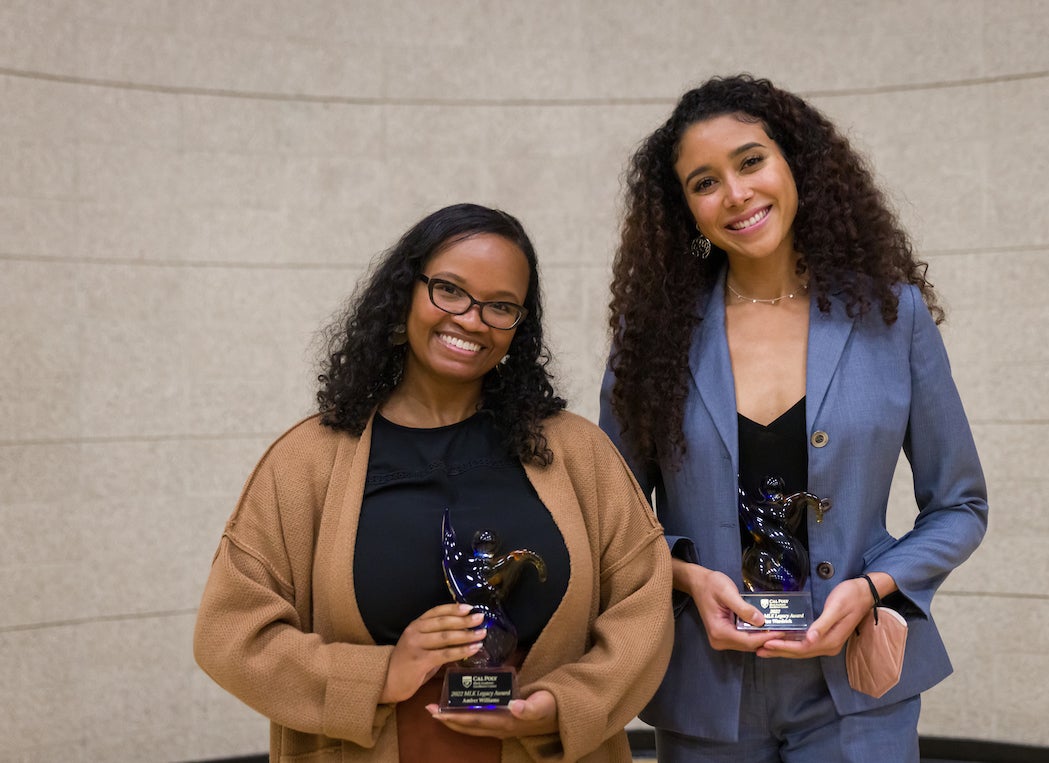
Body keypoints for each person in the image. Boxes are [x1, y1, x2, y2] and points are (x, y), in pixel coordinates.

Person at [195, 203, 673, 763]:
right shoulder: (306, 462)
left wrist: (565, 706)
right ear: (404, 294)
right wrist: (377, 677)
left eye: (501, 307)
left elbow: (645, 600)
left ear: (520, 328)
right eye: (449, 290)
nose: (472, 319)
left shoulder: (577, 453)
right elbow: (229, 633)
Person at [600, 75, 988, 762]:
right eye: (704, 182)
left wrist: (873, 587)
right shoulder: (652, 337)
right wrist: (690, 578)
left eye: (751, 161)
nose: (737, 193)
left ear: (793, 164)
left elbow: (960, 506)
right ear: (685, 210)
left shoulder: (892, 317)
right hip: (707, 693)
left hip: (858, 692)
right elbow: (610, 525)